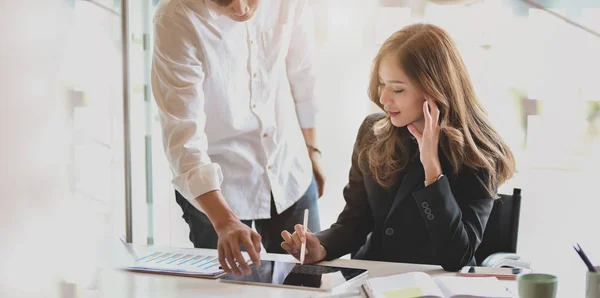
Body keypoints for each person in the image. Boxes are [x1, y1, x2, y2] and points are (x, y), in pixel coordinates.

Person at [280, 23, 516, 272]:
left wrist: (432, 171)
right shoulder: (373, 132)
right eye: (382, 85)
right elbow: (355, 221)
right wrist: (322, 246)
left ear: (434, 88)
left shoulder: (477, 153)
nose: (383, 99)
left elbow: (456, 257)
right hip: (372, 279)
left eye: (398, 89)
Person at [151, 0, 324, 277]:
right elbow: (183, 134)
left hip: (288, 168)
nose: (241, 9)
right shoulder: (176, 16)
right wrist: (224, 221)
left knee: (308, 281)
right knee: (229, 290)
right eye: (223, 1)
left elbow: (303, 74)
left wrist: (312, 150)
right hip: (216, 186)